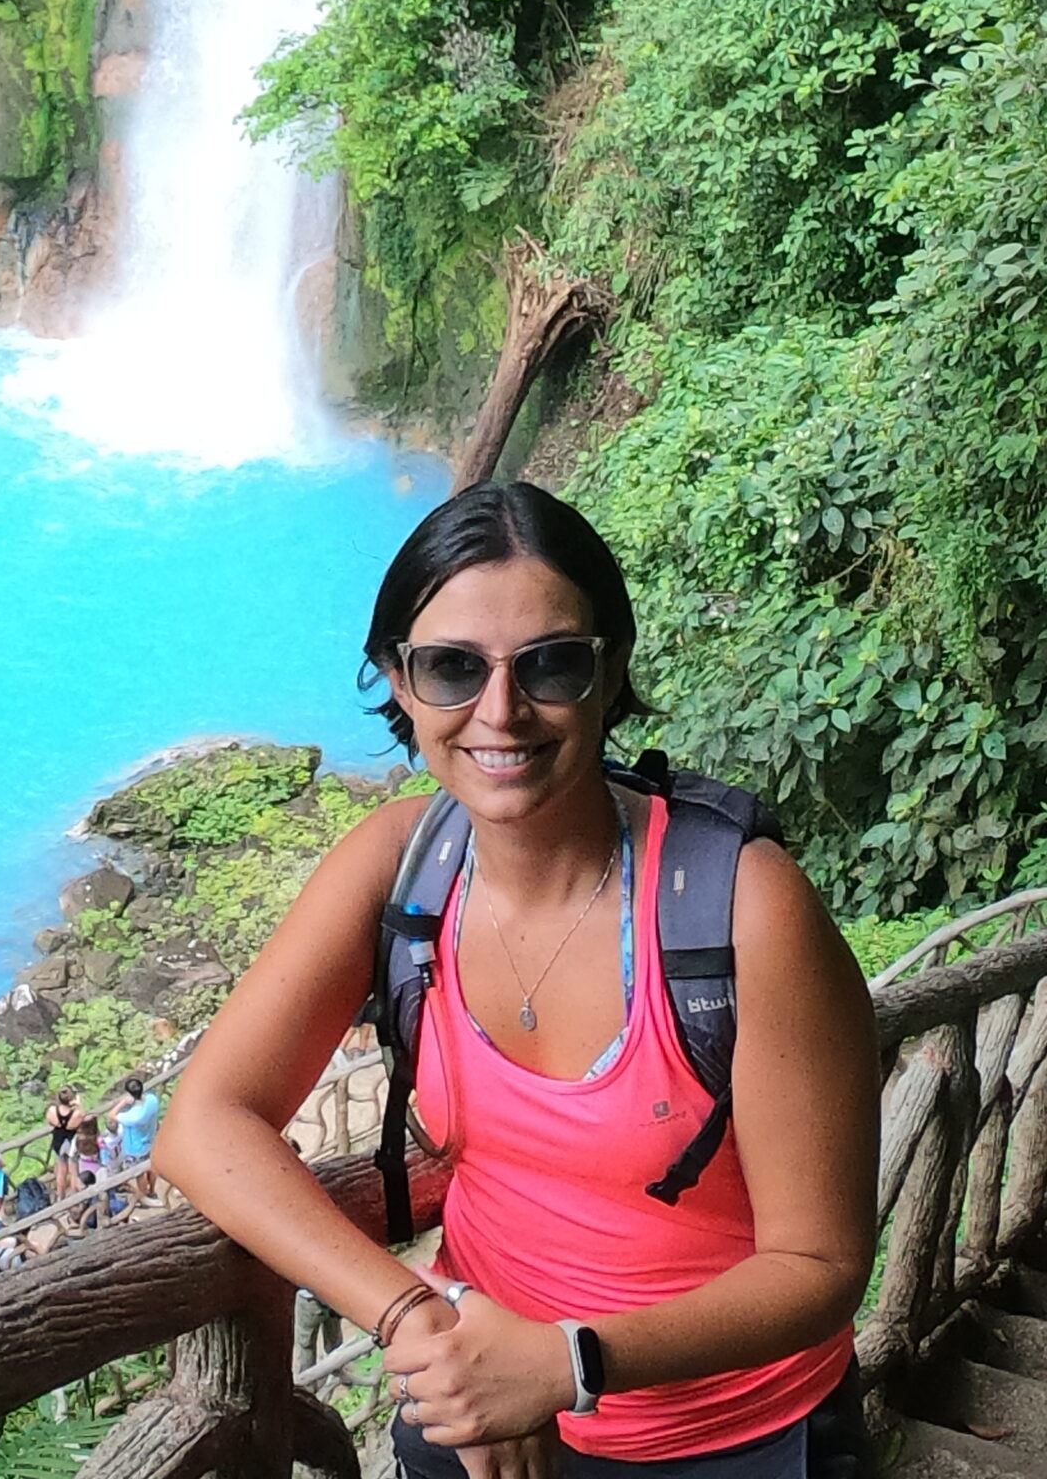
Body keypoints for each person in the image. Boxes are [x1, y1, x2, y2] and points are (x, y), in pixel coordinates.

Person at [153, 481, 879, 1479]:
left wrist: (565, 1364)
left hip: (727, 1439)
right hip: (474, 1421)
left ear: (610, 672)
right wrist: (423, 1316)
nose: (499, 710)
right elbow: (204, 1124)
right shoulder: (399, 867)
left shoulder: (741, 910)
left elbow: (822, 1266)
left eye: (551, 664)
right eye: (451, 667)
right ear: (398, 681)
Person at [111, 1072, 162, 1202]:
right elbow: (146, 1098)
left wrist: (122, 1103)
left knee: (140, 1174)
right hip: (150, 1140)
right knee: (151, 1167)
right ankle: (152, 1191)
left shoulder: (132, 1116)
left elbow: (111, 1115)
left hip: (135, 1148)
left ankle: (144, 1196)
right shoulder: (152, 1100)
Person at [47, 1084, 84, 1201]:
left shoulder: (52, 1110)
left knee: (61, 1170)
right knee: (74, 1170)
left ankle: (60, 1196)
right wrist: (78, 1105)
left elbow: (51, 1122)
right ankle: (75, 1195)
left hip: (58, 1140)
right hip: (71, 1141)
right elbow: (82, 1119)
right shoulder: (76, 1114)